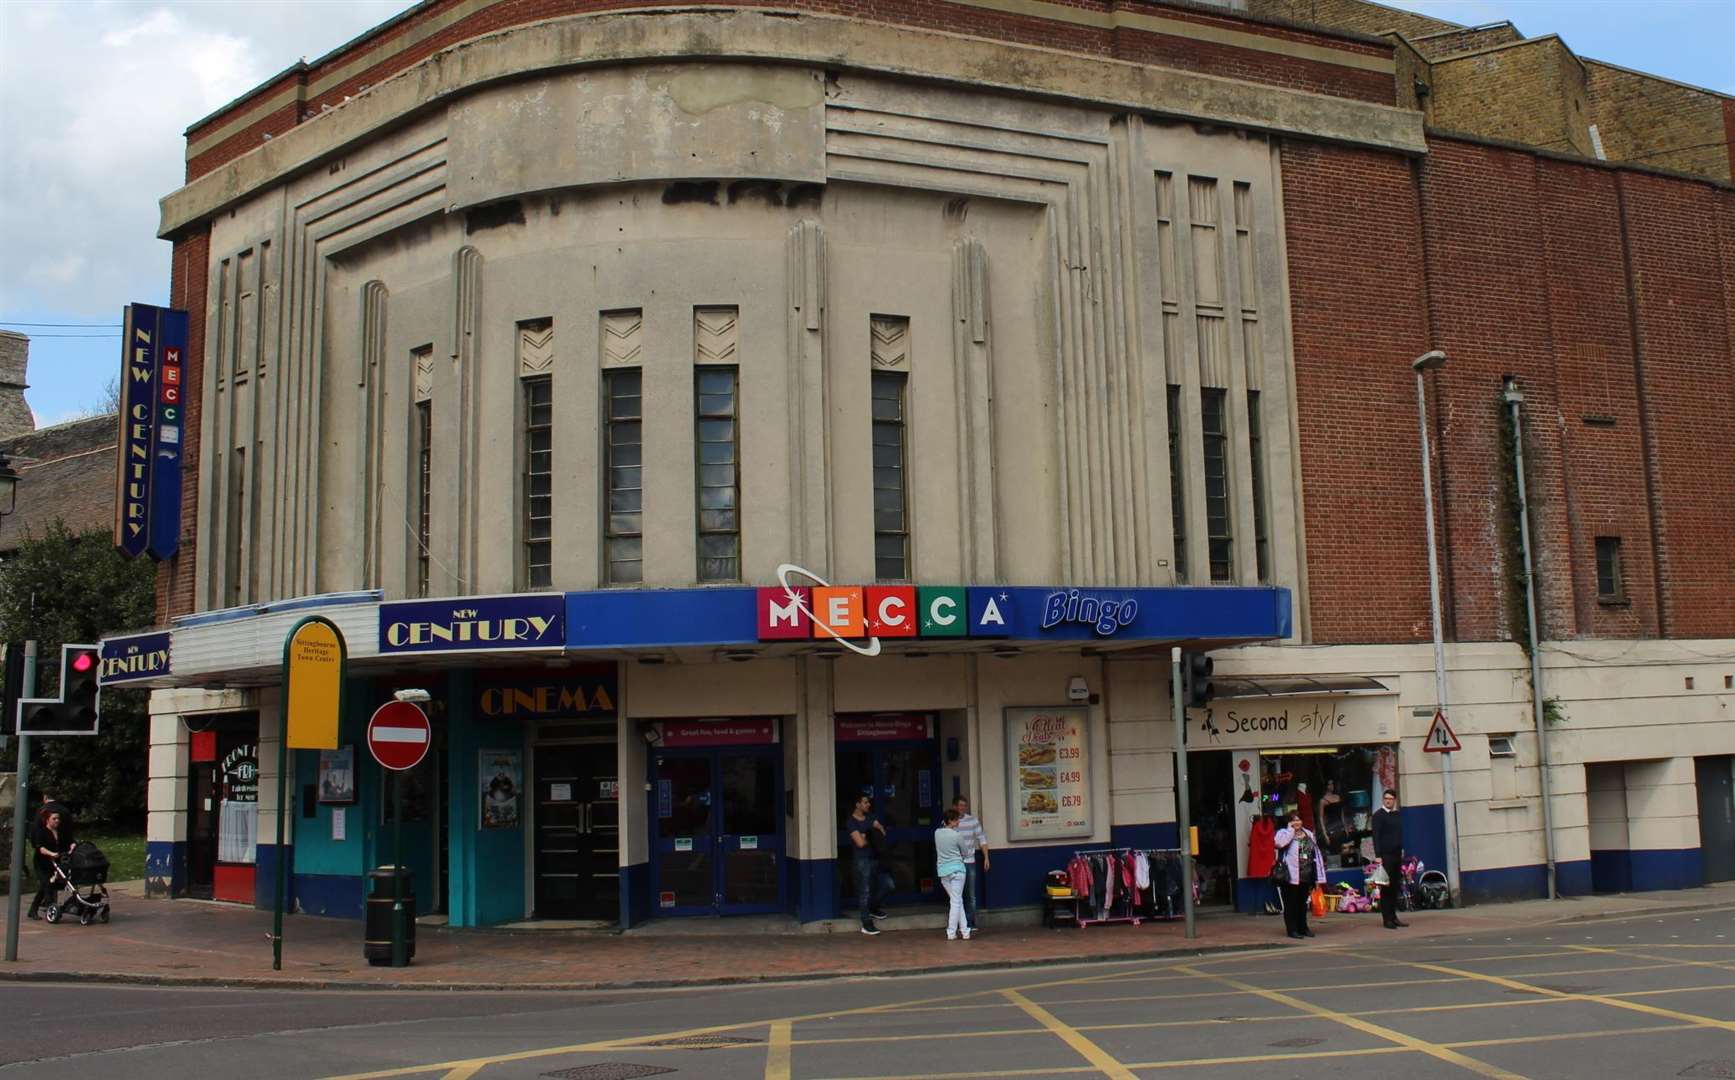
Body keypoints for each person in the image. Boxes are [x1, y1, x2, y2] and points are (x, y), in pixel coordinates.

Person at [1273, 811, 1326, 940]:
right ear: (1288, 822)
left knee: (1302, 904)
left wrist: (1318, 874)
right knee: (1291, 904)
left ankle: (1303, 928)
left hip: (1306, 875)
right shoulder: (1283, 833)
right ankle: (1292, 930)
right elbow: (1280, 844)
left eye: (1298, 819)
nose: (1297, 822)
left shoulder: (1308, 833)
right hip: (1290, 876)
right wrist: (1291, 831)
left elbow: (1315, 853)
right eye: (1293, 820)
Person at [846, 790, 892, 936]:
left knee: (888, 884)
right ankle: (866, 923)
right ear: (858, 804)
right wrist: (869, 835)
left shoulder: (870, 817)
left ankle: (873, 908)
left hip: (876, 858)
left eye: (868, 802)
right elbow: (859, 843)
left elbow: (882, 832)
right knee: (864, 891)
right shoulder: (851, 822)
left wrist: (868, 835)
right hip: (862, 860)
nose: (868, 804)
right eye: (865, 802)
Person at [952, 796, 991, 935]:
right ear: (954, 806)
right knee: (957, 895)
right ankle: (958, 923)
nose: (962, 808)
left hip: (969, 862)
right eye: (960, 805)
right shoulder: (949, 822)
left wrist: (986, 857)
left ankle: (970, 922)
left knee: (971, 894)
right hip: (954, 863)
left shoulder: (973, 821)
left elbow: (982, 839)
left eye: (964, 806)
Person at [1372, 789, 1408, 929]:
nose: (1388, 801)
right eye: (1386, 798)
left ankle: (1394, 916)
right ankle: (1387, 919)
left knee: (1395, 886)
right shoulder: (1378, 816)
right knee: (1386, 888)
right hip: (1385, 856)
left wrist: (1401, 849)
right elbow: (1376, 836)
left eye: (1391, 798)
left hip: (1396, 854)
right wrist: (1378, 856)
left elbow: (1398, 834)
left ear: (1394, 800)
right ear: (1383, 799)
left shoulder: (1396, 815)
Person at [26, 809, 69, 920]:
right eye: (54, 818)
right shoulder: (42, 832)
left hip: (54, 864)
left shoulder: (60, 832)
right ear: (47, 820)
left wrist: (72, 846)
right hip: (42, 863)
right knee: (47, 885)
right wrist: (51, 853)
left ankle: (32, 910)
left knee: (45, 886)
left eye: (58, 818)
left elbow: (68, 842)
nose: (57, 821)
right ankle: (51, 907)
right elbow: (40, 848)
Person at [934, 808, 970, 940]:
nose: (958, 821)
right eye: (956, 819)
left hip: (943, 872)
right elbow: (965, 852)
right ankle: (951, 932)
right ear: (951, 821)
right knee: (956, 901)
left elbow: (940, 826)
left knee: (956, 900)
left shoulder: (937, 833)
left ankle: (966, 931)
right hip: (957, 870)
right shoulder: (957, 835)